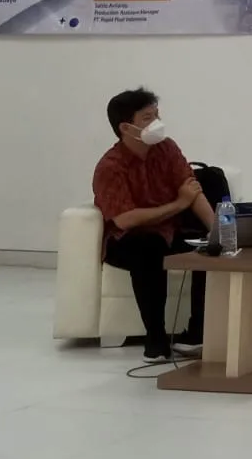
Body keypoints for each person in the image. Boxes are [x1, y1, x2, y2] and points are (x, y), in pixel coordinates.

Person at [92, 88, 215, 361]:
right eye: (147, 118)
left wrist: (218, 231)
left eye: (157, 115)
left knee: (208, 249)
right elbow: (126, 219)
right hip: (127, 239)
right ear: (126, 127)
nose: (157, 123)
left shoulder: (166, 148)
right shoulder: (110, 167)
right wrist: (179, 204)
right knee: (147, 248)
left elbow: (191, 189)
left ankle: (197, 334)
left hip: (169, 232)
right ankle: (156, 339)